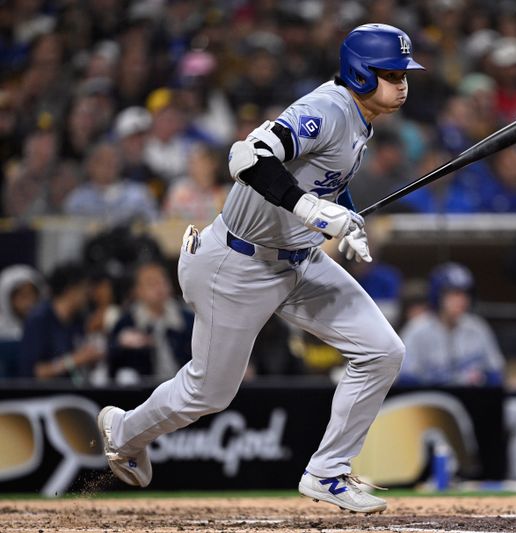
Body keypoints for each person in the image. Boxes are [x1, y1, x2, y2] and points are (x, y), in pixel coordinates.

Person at [96, 24, 424, 514]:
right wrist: (313, 211)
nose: (402, 84)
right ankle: (124, 430)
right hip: (237, 262)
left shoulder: (363, 117)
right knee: (209, 391)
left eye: (404, 74)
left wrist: (345, 215)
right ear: (359, 74)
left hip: (298, 261)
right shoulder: (328, 109)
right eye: (391, 74)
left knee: (382, 351)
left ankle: (328, 472)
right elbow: (246, 157)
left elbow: (327, 179)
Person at [398, 263, 516, 483]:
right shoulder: (418, 330)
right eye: (454, 294)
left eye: (464, 294)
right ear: (438, 295)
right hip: (437, 412)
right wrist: (448, 381)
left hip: (477, 409)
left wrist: (482, 379)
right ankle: (437, 479)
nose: (461, 300)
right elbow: (405, 379)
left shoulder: (477, 328)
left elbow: (496, 374)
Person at [108, 261, 193, 384]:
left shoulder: (186, 319)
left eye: (162, 281)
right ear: (138, 290)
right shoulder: (127, 322)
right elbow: (111, 362)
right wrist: (121, 344)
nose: (159, 287)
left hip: (182, 385)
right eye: (151, 284)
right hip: (143, 390)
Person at [19, 263, 105, 383]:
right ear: (70, 290)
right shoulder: (38, 320)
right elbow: (34, 372)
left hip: (74, 392)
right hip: (44, 396)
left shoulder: (78, 320)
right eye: (84, 288)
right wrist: (73, 361)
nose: (87, 294)